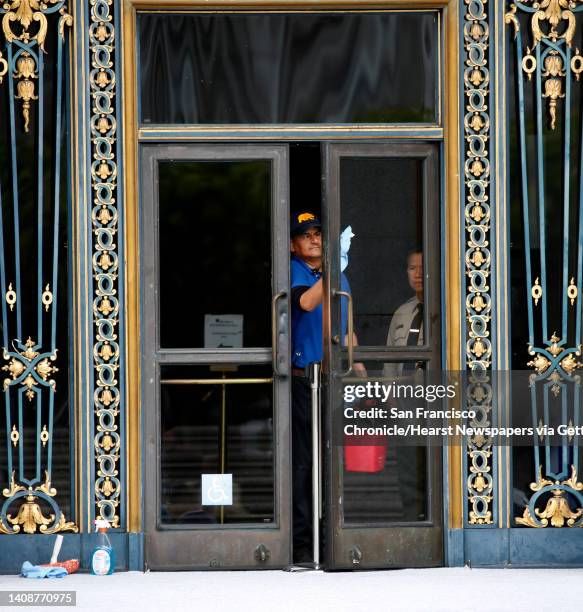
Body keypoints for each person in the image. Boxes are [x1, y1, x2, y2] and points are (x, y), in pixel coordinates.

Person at [289, 210, 363, 564]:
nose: (314, 239)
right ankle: (303, 541)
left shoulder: (337, 273)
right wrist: (335, 267)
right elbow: (305, 302)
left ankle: (332, 535)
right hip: (305, 380)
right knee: (305, 462)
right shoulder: (295, 270)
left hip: (335, 378)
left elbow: (347, 326)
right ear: (293, 244)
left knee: (333, 460)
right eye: (306, 235)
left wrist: (361, 372)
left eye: (319, 233)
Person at [384, 249, 426, 521]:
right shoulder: (402, 312)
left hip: (437, 397)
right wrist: (391, 396)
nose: (418, 273)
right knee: (409, 468)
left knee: (436, 465)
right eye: (412, 268)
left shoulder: (447, 308)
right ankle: (413, 521)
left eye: (423, 267)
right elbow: (390, 358)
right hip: (405, 400)